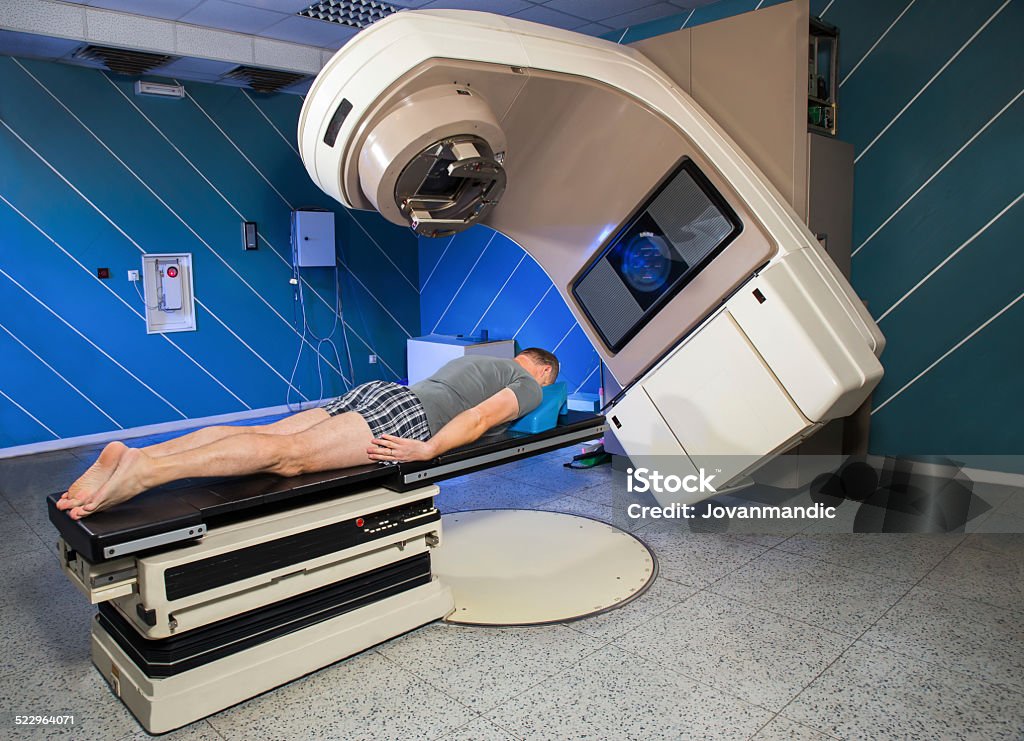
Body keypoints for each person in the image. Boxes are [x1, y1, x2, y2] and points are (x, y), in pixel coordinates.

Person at [57, 348, 559, 520]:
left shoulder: (481, 361)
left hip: (380, 391)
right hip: (409, 415)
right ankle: (146, 472)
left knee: (266, 433)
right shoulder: (529, 385)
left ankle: (137, 452)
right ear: (540, 370)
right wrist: (426, 450)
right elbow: (477, 421)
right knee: (287, 457)